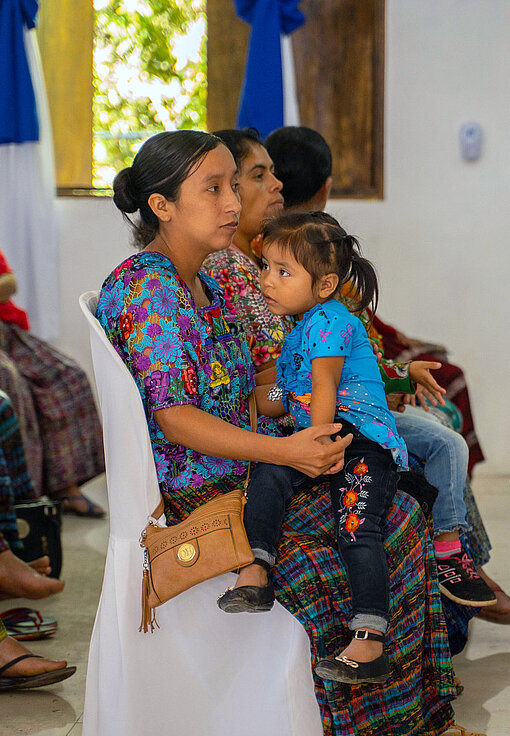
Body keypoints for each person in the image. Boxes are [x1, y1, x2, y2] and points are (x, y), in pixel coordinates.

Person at [96, 129, 456, 735]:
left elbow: (244, 383)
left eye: (233, 185)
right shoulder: (148, 290)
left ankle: (397, 713)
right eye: (213, 189)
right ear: (162, 206)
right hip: (202, 491)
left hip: (250, 466)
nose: (233, 204)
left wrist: (319, 394)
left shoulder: (205, 279)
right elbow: (176, 418)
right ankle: (366, 716)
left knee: (396, 503)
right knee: (372, 530)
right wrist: (287, 449)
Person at [218, 210, 493, 687]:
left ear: (323, 285)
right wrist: (244, 396)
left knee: (356, 527)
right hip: (321, 436)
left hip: (361, 442)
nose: (267, 280)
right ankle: (255, 570)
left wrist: (315, 445)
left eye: (283, 272)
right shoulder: (297, 332)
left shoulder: (329, 320)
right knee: (267, 470)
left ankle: (369, 641)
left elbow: (324, 385)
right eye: (265, 267)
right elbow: (286, 398)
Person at [264, 124, 510, 627]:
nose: (271, 188)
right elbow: (305, 383)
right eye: (256, 176)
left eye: (270, 175)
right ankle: (455, 566)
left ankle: (455, 556)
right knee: (440, 433)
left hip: (357, 403)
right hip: (343, 417)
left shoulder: (312, 264)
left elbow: (352, 352)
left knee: (443, 432)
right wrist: (294, 412)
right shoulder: (274, 270)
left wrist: (396, 374)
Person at [264, 126, 484, 477]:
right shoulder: (295, 271)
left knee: (442, 398)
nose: (268, 278)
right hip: (334, 418)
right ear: (326, 187)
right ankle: (449, 526)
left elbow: (338, 362)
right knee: (446, 438)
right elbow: (313, 378)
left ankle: (448, 527)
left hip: (332, 409)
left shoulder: (313, 270)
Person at [0, 249, 106, 517]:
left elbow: (9, 282)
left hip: (6, 329)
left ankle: (65, 487)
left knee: (67, 377)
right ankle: (24, 499)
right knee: (12, 390)